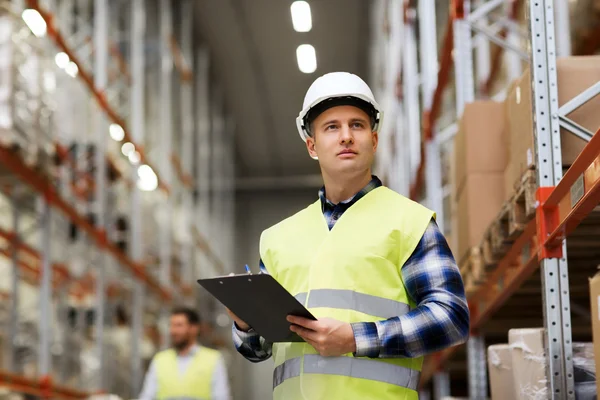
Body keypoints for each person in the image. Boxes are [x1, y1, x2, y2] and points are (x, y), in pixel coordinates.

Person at [228, 72, 470, 400]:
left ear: (374, 139)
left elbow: (451, 318)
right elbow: (260, 349)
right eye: (332, 127)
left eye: (356, 125)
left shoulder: (409, 222)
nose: (346, 136)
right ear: (312, 146)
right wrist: (245, 325)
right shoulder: (277, 239)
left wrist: (356, 338)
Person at [139, 307, 231, 400]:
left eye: (179, 325)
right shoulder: (160, 359)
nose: (173, 331)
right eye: (171, 325)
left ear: (194, 328)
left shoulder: (213, 359)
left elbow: (221, 397)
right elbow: (147, 396)